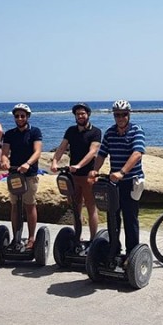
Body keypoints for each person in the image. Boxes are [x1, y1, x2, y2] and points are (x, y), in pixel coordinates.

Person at [90, 100, 146, 255]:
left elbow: (137, 153)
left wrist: (122, 172)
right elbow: (102, 154)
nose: (120, 117)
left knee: (130, 218)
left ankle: (132, 253)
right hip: (113, 184)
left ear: (129, 114)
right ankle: (114, 249)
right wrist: (95, 171)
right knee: (112, 217)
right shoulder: (110, 132)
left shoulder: (137, 130)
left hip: (131, 182)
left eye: (123, 114)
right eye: (117, 115)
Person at [50, 103, 102, 240]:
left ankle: (93, 240)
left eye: (83, 113)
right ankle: (77, 238)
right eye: (78, 114)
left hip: (88, 175)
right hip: (73, 176)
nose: (80, 116)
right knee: (76, 207)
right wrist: (55, 162)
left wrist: (79, 165)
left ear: (88, 114)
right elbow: (62, 148)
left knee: (91, 207)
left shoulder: (95, 132)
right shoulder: (71, 131)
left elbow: (93, 152)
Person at [0, 103, 42, 250]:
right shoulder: (10, 134)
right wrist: (4, 161)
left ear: (27, 117)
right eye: (17, 116)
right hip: (14, 175)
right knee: (15, 206)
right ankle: (16, 237)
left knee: (29, 205)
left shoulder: (35, 132)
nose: (19, 118)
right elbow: (5, 153)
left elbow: (37, 152)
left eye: (22, 116)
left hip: (29, 174)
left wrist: (28, 164)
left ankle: (31, 238)